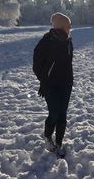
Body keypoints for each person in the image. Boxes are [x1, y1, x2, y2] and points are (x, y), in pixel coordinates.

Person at [33, 12, 73, 158]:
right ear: (61, 26)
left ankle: (59, 142)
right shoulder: (47, 40)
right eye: (68, 25)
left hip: (66, 84)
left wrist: (70, 79)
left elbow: (67, 63)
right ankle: (48, 137)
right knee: (54, 113)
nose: (70, 28)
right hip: (50, 85)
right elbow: (37, 63)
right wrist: (43, 81)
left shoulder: (68, 40)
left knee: (63, 114)